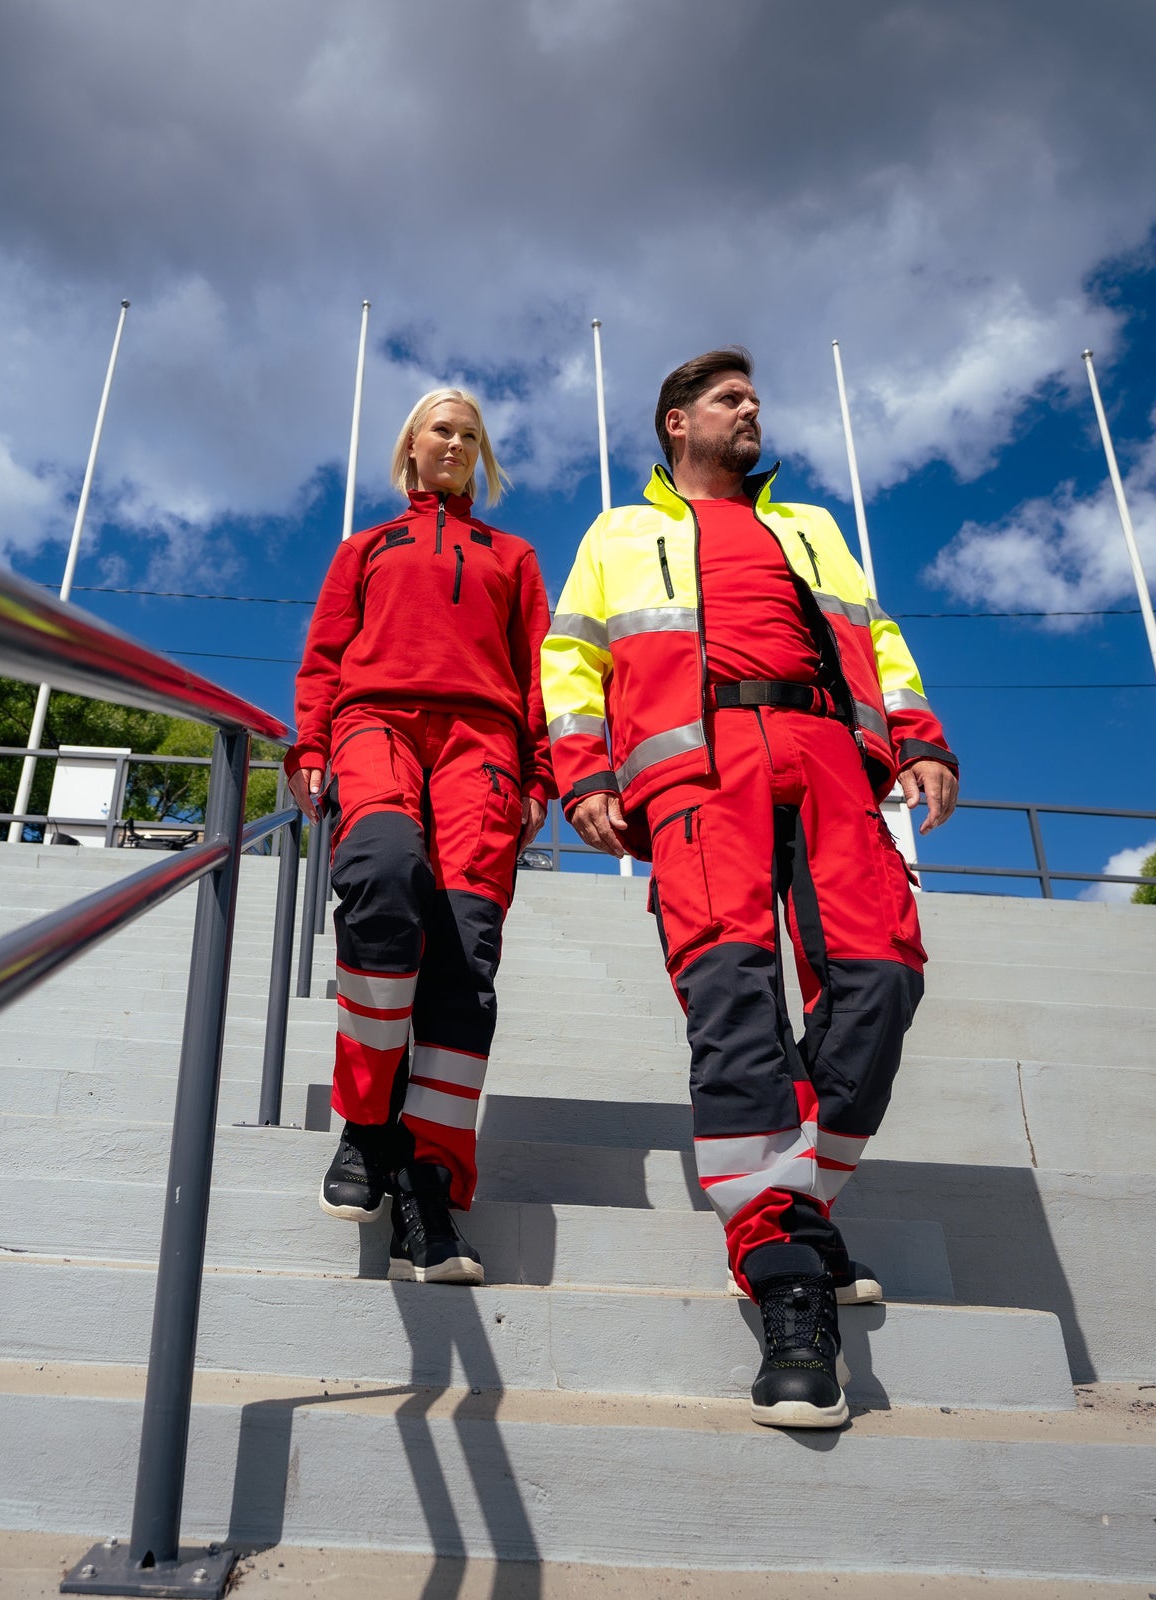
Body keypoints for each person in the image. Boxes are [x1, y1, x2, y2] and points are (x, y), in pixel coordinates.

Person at [541, 347, 958, 1428]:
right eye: (730, 399)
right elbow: (571, 660)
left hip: (828, 760)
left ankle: (797, 1197)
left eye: (755, 398)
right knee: (732, 999)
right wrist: (581, 771)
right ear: (676, 423)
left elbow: (881, 640)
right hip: (697, 768)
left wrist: (920, 738)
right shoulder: (619, 534)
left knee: (882, 979)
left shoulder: (813, 526)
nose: (752, 410)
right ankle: (784, 1273)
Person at [288, 387, 554, 1286]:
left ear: (480, 455)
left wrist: (542, 770)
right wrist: (312, 743)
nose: (455, 442)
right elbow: (325, 656)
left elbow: (537, 667)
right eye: (442, 428)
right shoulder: (365, 548)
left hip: (484, 744)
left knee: (464, 958)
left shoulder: (511, 556)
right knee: (382, 873)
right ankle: (367, 1123)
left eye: (471, 434)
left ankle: (426, 1187)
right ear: (411, 444)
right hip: (376, 725)